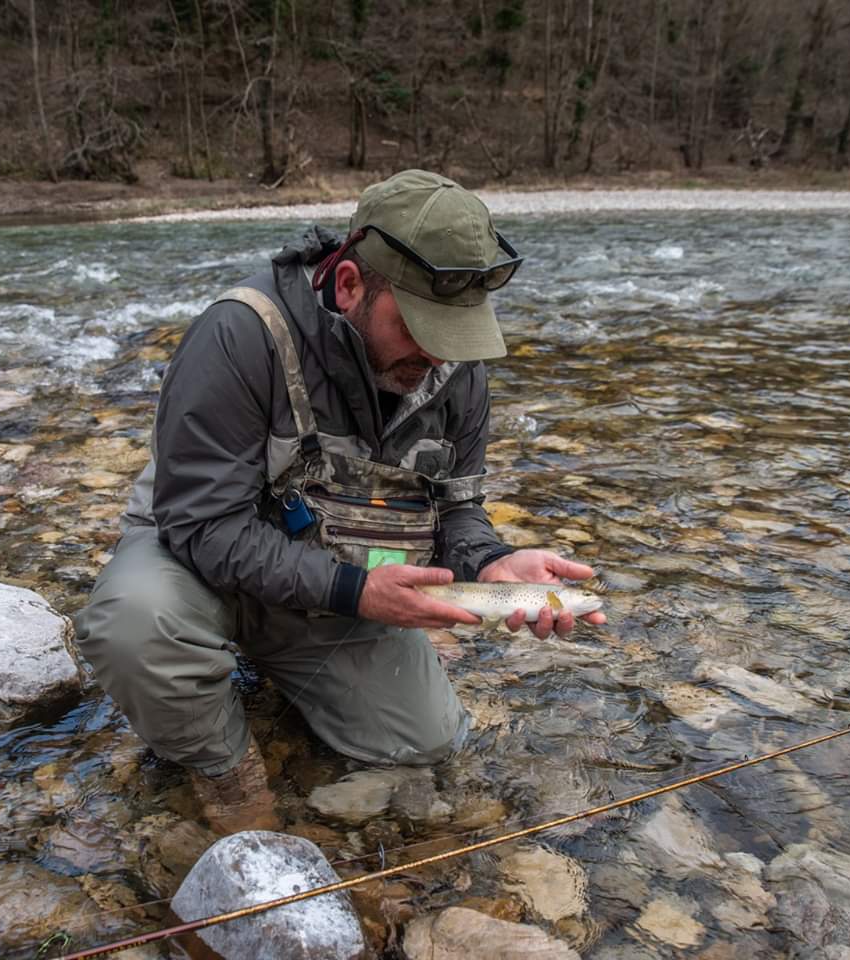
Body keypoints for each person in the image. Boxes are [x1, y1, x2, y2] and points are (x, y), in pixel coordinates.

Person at [76, 170, 606, 834]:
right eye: (419, 324)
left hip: (331, 583)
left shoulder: (457, 370)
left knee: (428, 744)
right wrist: (358, 591)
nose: (439, 351)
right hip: (203, 565)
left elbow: (456, 511)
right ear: (350, 283)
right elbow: (202, 526)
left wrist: (492, 564)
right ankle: (222, 767)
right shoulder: (241, 336)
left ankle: (278, 672)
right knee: (135, 623)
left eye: (456, 331)